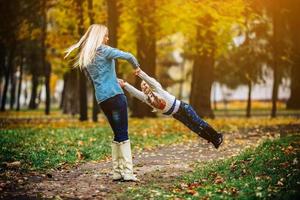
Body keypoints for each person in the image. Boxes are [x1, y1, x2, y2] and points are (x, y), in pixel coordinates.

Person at [65, 24, 139, 181]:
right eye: (106, 35)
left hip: (103, 100)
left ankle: (118, 172)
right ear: (99, 36)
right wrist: (137, 68)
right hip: (116, 97)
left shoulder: (88, 57)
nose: (108, 38)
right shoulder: (104, 50)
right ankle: (127, 172)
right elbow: (129, 56)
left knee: (117, 133)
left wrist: (113, 79)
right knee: (123, 133)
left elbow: (97, 78)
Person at [118, 69, 223, 149]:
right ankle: (213, 140)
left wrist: (140, 73)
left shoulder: (158, 90)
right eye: (143, 86)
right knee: (194, 128)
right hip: (177, 115)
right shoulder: (147, 99)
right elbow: (135, 93)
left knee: (198, 122)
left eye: (145, 84)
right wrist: (125, 85)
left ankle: (217, 135)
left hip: (183, 108)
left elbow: (151, 82)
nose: (145, 86)